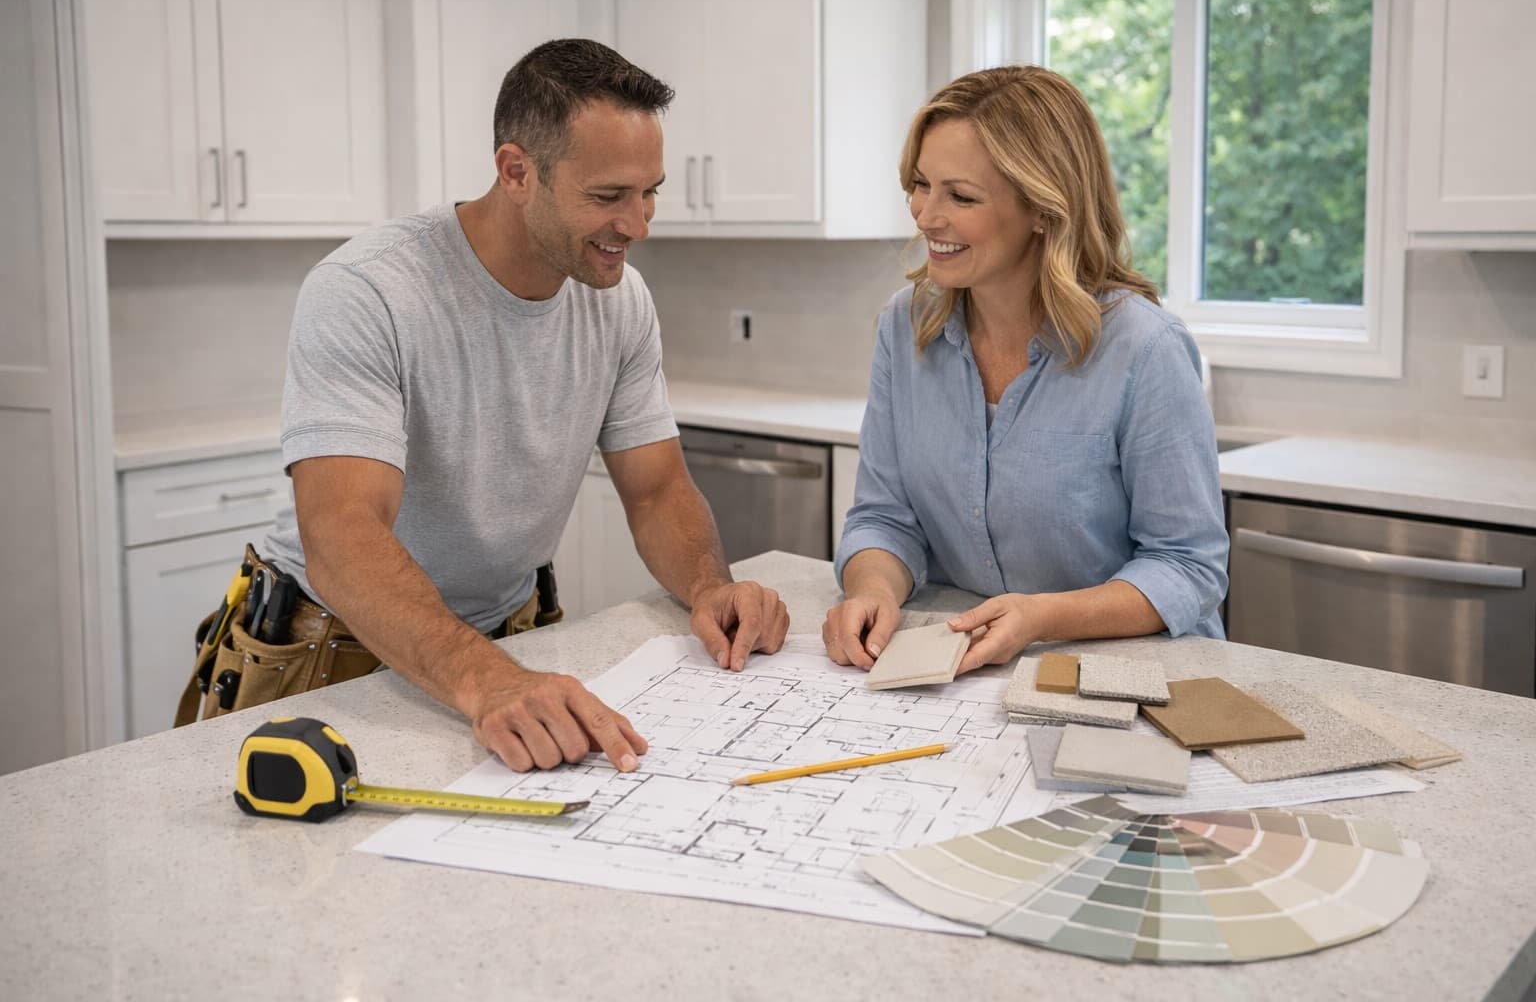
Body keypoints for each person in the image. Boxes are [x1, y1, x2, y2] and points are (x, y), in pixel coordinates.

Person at [261, 39, 789, 774]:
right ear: (516, 172)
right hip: (333, 648)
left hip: (508, 643)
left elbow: (657, 490)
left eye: (650, 192)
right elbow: (341, 534)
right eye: (608, 196)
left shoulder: (620, 301)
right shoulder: (367, 291)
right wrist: (487, 681)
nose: (639, 224)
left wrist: (710, 587)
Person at [823, 65, 1228, 675]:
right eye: (921, 184)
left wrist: (1042, 617)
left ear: (1042, 208)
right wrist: (873, 589)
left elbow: (1188, 566)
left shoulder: (1145, 348)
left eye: (961, 196)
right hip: (973, 672)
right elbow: (885, 518)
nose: (926, 215)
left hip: (1132, 675)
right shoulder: (905, 326)